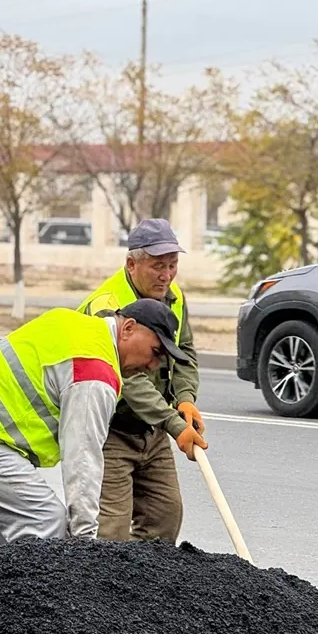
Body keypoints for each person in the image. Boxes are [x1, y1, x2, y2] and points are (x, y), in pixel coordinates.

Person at [0, 298, 188, 562]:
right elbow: (82, 461)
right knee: (45, 522)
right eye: (156, 352)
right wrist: (83, 544)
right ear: (128, 328)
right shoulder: (95, 372)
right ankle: (32, 602)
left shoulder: (74, 324)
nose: (153, 365)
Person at [77, 218, 205, 545]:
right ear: (132, 264)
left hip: (153, 429)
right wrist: (176, 424)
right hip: (112, 429)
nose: (166, 275)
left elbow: (185, 350)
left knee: (165, 517)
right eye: (158, 266)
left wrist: (185, 398)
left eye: (173, 265)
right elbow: (129, 378)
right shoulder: (107, 307)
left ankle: (147, 593)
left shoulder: (172, 296)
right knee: (111, 534)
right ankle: (101, 591)